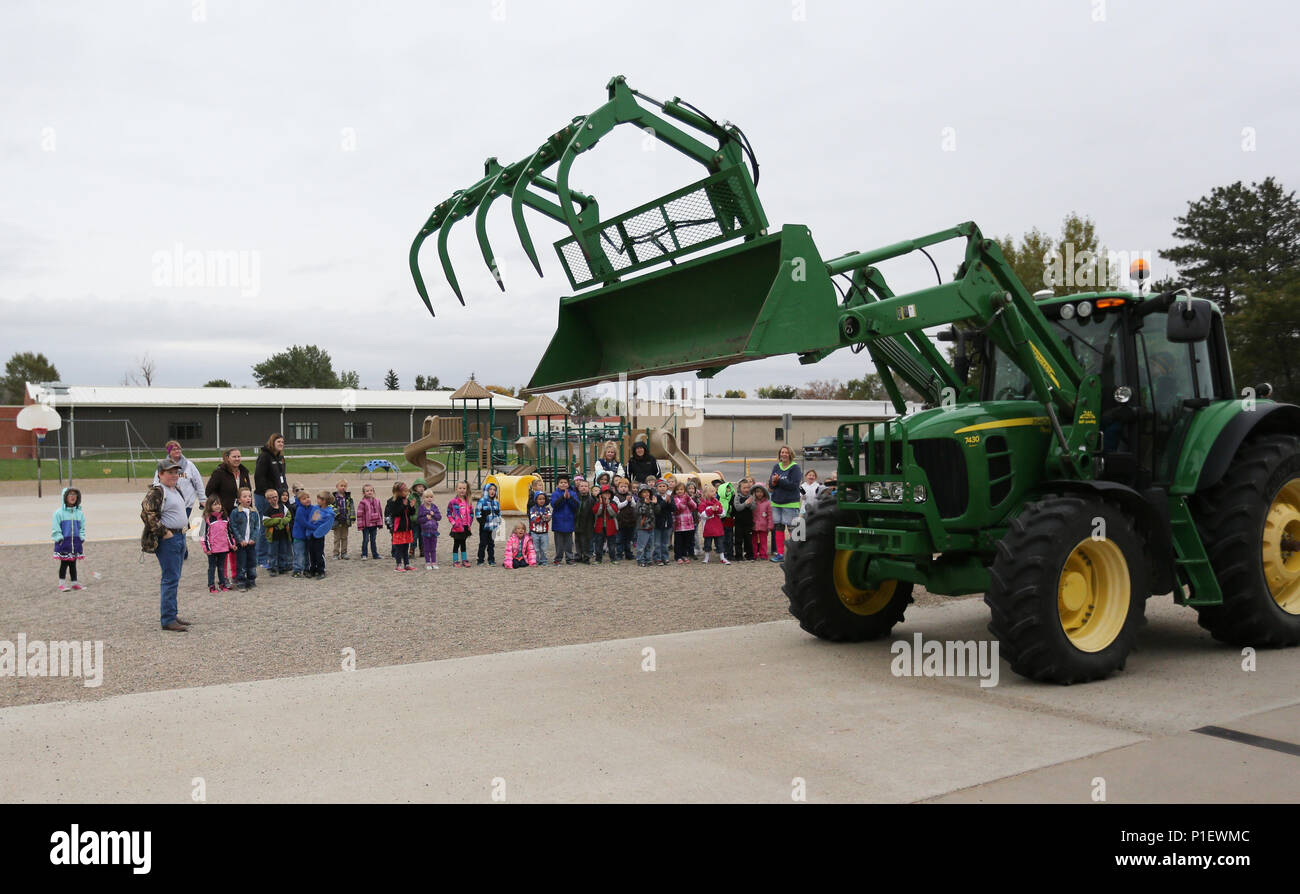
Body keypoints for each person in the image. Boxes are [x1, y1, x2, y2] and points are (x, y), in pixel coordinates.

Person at [140, 458, 192, 632]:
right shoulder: (157, 491)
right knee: (170, 579)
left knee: (174, 578)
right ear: (160, 474)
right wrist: (165, 533)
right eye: (170, 472)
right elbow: (147, 513)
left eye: (176, 472)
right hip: (169, 540)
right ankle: (168, 619)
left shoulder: (175, 489)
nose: (174, 475)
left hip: (179, 536)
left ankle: (172, 614)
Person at [152, 440, 205, 559]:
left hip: (186, 504)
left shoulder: (189, 465)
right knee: (175, 527)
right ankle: (179, 549)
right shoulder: (163, 465)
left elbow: (198, 482)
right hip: (169, 504)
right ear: (169, 452)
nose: (177, 451)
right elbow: (156, 482)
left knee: (182, 526)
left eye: (179, 449)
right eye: (174, 449)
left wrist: (202, 498)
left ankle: (181, 550)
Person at [253, 433, 288, 568]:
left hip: (277, 495)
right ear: (272, 442)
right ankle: (261, 557)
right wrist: (267, 491)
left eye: (282, 442)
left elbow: (282, 476)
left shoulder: (281, 457)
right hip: (264, 496)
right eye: (278, 441)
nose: (281, 444)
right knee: (265, 525)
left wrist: (284, 490)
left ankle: (274, 555)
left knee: (276, 525)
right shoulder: (264, 456)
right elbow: (258, 477)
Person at [204, 448, 252, 535]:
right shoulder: (219, 472)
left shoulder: (244, 472)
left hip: (241, 512)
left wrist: (250, 509)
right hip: (225, 513)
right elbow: (209, 492)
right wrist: (219, 506)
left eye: (239, 456)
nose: (237, 459)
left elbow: (249, 491)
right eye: (234, 457)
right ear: (227, 458)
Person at [767, 446, 802, 562]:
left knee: (793, 529)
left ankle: (796, 554)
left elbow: (794, 485)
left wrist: (779, 481)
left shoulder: (795, 468)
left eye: (786, 452)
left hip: (790, 503)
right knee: (778, 528)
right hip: (777, 502)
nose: (784, 454)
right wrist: (773, 482)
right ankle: (780, 554)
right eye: (782, 452)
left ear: (790, 454)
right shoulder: (776, 467)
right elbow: (771, 486)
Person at [52, 486, 86, 591]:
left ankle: (74, 583)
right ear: (65, 497)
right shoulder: (59, 513)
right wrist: (59, 538)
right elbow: (55, 527)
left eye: (74, 494)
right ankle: (61, 584)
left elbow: (82, 528)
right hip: (64, 543)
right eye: (70, 494)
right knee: (64, 563)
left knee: (73, 563)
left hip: (75, 543)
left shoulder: (79, 514)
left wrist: (81, 537)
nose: (72, 497)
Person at [229, 487, 261, 590]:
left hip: (251, 543)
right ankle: (241, 581)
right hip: (241, 543)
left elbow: (257, 527)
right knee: (241, 562)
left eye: (249, 496)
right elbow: (233, 526)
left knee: (252, 562)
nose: (248, 498)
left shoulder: (254, 512)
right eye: (245, 496)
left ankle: (251, 579)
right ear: (239, 500)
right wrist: (240, 539)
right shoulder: (235, 512)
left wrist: (253, 538)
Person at [201, 497, 235, 593]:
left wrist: (232, 544)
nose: (217, 506)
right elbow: (204, 535)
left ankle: (222, 583)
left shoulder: (225, 518)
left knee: (221, 567)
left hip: (223, 548)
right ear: (209, 506)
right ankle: (211, 585)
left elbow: (228, 533)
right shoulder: (207, 519)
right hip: (212, 549)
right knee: (212, 568)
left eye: (219, 504)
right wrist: (206, 548)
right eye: (215, 504)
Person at [261, 488, 294, 575]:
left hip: (283, 534)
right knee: (272, 553)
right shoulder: (267, 510)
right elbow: (265, 522)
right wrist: (278, 520)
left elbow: (288, 516)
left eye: (275, 497)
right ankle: (272, 568)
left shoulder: (283, 507)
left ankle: (282, 566)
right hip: (273, 536)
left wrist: (283, 521)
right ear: (268, 499)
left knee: (283, 551)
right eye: (271, 497)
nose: (274, 499)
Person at [550, 473, 579, 565]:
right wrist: (563, 498)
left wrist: (569, 498)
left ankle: (569, 558)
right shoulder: (555, 494)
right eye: (561, 482)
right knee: (559, 543)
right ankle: (558, 558)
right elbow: (554, 505)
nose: (563, 484)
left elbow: (576, 506)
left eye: (565, 482)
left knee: (569, 542)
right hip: (558, 522)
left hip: (569, 521)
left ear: (568, 484)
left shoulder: (573, 493)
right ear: (557, 484)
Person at [305, 491, 336, 579]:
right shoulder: (315, 508)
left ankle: (321, 570)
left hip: (318, 536)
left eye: (319, 498)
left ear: (324, 501)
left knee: (319, 553)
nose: (317, 500)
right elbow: (310, 520)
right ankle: (313, 569)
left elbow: (326, 526)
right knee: (311, 553)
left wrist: (317, 533)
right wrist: (309, 532)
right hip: (310, 535)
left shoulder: (329, 513)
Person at [385, 482, 415, 571]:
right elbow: (396, 513)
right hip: (398, 528)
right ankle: (398, 565)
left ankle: (407, 564)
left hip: (407, 527)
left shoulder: (406, 499)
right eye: (405, 491)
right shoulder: (392, 501)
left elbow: (411, 513)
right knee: (399, 548)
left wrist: (411, 507)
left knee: (406, 547)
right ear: (398, 492)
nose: (407, 493)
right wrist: (404, 505)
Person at [446, 481, 475, 568]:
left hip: (466, 527)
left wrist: (469, 523)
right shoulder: (453, 502)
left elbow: (471, 514)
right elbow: (448, 513)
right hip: (457, 527)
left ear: (466, 490)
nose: (462, 490)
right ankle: (455, 560)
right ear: (456, 489)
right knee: (456, 543)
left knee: (463, 543)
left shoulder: (468, 501)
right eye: (460, 488)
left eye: (464, 488)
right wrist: (453, 522)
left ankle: (464, 559)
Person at [699, 484, 728, 564]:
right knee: (707, 544)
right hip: (708, 528)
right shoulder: (703, 503)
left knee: (720, 543)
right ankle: (706, 557)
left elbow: (723, 513)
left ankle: (722, 557)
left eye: (714, 491)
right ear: (706, 493)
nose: (714, 493)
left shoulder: (717, 502)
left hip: (717, 527)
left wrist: (717, 510)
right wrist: (711, 510)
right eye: (712, 491)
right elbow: (702, 515)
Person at [671, 482, 697, 564]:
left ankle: (684, 555)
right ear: (675, 491)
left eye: (681, 489)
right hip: (679, 524)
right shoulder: (674, 499)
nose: (679, 491)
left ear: (684, 490)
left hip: (688, 524)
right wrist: (685, 500)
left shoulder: (687, 497)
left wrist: (688, 499)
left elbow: (694, 506)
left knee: (687, 541)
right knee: (678, 542)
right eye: (678, 490)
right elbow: (679, 508)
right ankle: (678, 556)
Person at [290, 489, 314, 577]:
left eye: (308, 497)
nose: (307, 499)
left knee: (307, 553)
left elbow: (317, 516)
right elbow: (303, 523)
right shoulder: (300, 510)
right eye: (304, 499)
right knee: (299, 553)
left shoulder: (312, 508)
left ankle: (306, 568)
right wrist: (314, 527)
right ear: (299, 501)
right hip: (299, 536)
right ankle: (297, 569)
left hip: (307, 536)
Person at [476, 482, 501, 566]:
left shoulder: (496, 502)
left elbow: (499, 513)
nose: (492, 491)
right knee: (483, 543)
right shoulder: (482, 501)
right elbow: (477, 513)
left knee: (491, 544)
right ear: (486, 491)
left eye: (494, 490)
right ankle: (480, 559)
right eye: (490, 489)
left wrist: (498, 521)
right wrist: (482, 522)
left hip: (493, 527)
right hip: (484, 527)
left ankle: (491, 559)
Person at [592, 486, 619, 563]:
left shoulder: (613, 503)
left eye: (608, 493)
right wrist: (601, 504)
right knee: (599, 543)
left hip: (611, 526)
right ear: (601, 494)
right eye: (605, 493)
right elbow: (596, 512)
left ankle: (613, 558)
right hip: (599, 526)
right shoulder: (597, 503)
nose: (607, 495)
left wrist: (608, 505)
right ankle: (598, 559)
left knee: (612, 544)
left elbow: (613, 513)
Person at [356, 484, 384, 560]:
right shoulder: (363, 502)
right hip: (366, 525)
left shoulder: (377, 501)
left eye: (371, 490)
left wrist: (380, 523)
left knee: (373, 540)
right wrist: (360, 525)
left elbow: (380, 512)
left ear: (373, 491)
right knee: (365, 540)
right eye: (367, 491)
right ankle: (364, 554)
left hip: (374, 524)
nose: (369, 492)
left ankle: (375, 554)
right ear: (364, 493)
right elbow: (359, 514)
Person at [747, 484, 774, 561]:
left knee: (763, 541)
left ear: (764, 493)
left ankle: (763, 554)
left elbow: (770, 515)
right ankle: (754, 554)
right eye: (757, 492)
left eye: (761, 492)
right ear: (754, 493)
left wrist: (770, 526)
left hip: (764, 525)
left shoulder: (767, 503)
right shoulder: (752, 502)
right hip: (754, 525)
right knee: (754, 541)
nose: (759, 494)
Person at [573, 476, 595, 565]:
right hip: (577, 522)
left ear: (588, 488)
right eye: (581, 486)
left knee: (586, 541)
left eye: (585, 486)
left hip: (587, 524)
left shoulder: (591, 499)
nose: (583, 488)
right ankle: (578, 555)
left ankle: (586, 556)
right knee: (577, 540)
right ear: (578, 488)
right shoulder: (575, 498)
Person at [417, 490, 442, 570]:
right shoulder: (421, 508)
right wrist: (425, 518)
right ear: (423, 498)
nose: (429, 499)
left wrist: (434, 514)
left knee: (433, 548)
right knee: (427, 548)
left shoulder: (434, 507)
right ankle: (427, 562)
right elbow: (419, 520)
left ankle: (434, 562)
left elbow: (439, 517)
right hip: (425, 531)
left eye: (431, 497)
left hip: (434, 531)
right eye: (427, 497)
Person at [332, 479, 356, 560]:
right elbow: (331, 507)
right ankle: (335, 553)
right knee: (337, 538)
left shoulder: (348, 498)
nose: (343, 487)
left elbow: (352, 508)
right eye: (341, 486)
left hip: (346, 521)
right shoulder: (333, 498)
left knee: (344, 537)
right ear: (337, 487)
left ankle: (344, 553)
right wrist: (337, 515)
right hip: (337, 521)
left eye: (345, 486)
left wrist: (352, 518)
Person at [732, 477, 755, 561]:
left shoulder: (751, 496)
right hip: (738, 522)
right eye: (744, 488)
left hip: (748, 522)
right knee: (738, 539)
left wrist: (749, 503)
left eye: (748, 488)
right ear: (740, 488)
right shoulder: (737, 496)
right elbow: (738, 507)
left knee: (748, 539)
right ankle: (738, 556)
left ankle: (749, 555)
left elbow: (754, 507)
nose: (746, 489)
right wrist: (746, 503)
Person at [614, 479, 637, 561]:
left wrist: (630, 501)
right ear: (618, 488)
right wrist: (626, 501)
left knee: (628, 539)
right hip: (621, 521)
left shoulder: (630, 496)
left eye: (625, 487)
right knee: (619, 539)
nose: (623, 488)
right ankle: (619, 553)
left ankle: (628, 553)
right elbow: (618, 506)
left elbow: (634, 505)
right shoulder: (616, 497)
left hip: (630, 521)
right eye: (621, 487)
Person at [652, 479, 673, 566]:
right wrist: (665, 502)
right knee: (657, 543)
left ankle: (665, 557)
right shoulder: (655, 498)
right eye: (660, 486)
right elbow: (658, 509)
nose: (662, 488)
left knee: (665, 543)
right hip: (658, 523)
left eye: (664, 486)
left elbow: (673, 509)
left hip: (667, 522)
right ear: (657, 488)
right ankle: (657, 558)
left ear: (667, 487)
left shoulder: (670, 497)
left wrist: (669, 503)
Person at [716, 475, 736, 562]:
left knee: (730, 538)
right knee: (723, 538)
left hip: (730, 520)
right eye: (726, 488)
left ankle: (730, 554)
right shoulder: (719, 499)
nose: (728, 490)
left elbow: (734, 508)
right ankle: (723, 554)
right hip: (721, 521)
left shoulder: (732, 497)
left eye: (729, 488)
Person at [528, 490, 552, 566]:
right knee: (536, 548)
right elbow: (534, 519)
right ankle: (536, 560)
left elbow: (548, 518)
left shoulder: (547, 509)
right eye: (540, 499)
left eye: (543, 499)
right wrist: (542, 517)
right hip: (534, 532)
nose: (542, 501)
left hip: (544, 532)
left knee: (544, 548)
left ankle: (544, 560)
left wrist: (542, 517)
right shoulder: (533, 509)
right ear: (536, 500)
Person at [635, 485, 657, 567]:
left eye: (648, 492)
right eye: (644, 492)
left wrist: (655, 504)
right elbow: (640, 512)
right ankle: (640, 559)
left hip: (651, 526)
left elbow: (657, 511)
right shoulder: (639, 502)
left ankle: (648, 559)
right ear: (640, 494)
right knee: (641, 545)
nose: (646, 494)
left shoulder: (651, 501)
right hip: (642, 527)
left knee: (650, 545)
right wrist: (646, 504)